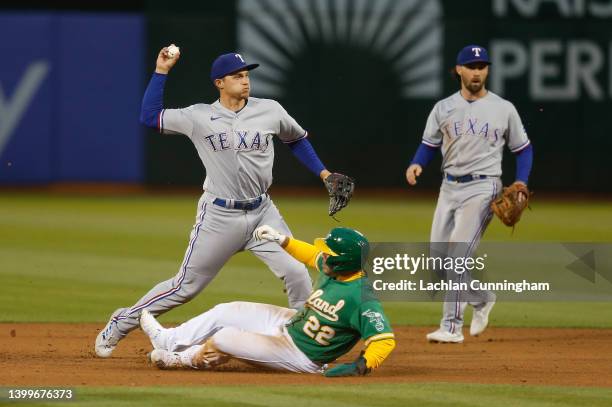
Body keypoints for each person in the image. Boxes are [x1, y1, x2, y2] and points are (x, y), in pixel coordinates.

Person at [95, 45, 353, 358]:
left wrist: (324, 173)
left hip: (263, 214)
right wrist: (161, 70)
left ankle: (305, 345)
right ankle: (121, 322)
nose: (245, 81)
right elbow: (150, 117)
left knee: (297, 272)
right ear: (219, 82)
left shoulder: (270, 110)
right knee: (184, 287)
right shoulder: (198, 117)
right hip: (219, 217)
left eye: (246, 75)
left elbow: (296, 139)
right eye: (237, 76)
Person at [138, 225, 395, 376]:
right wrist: (282, 240)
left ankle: (183, 360)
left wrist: (359, 367)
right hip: (290, 323)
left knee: (225, 338)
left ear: (343, 261)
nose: (323, 256)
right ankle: (169, 339)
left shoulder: (361, 298)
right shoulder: (336, 269)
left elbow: (384, 340)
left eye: (329, 254)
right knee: (229, 310)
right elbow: (309, 254)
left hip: (299, 355)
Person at [405, 45, 533, 343]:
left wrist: (522, 182)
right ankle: (482, 298)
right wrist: (416, 163)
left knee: (457, 257)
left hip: (483, 186)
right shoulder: (443, 107)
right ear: (458, 70)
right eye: (471, 66)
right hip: (448, 186)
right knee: (437, 261)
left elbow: (523, 149)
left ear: (487, 71)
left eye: (482, 66)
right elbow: (429, 144)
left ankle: (451, 327)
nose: (477, 71)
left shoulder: (504, 108)